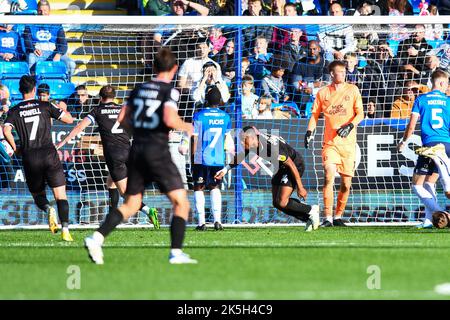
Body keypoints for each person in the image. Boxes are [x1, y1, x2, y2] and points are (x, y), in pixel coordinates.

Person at [83, 48, 197, 265]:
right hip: (158, 152)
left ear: (154, 67)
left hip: (137, 150)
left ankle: (96, 238)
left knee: (132, 203)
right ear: (174, 69)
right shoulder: (170, 91)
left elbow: (121, 117)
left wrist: (137, 131)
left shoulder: (138, 89)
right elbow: (170, 118)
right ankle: (176, 253)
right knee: (181, 202)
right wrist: (187, 126)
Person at [56, 84, 160, 228]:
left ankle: (149, 210)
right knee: (110, 182)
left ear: (100, 97)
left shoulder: (97, 110)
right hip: (129, 152)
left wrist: (63, 141)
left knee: (125, 194)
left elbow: (80, 127)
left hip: (114, 155)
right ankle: (112, 215)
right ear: (115, 97)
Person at [2, 75, 74, 240]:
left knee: (38, 195)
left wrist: (16, 148)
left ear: (20, 91)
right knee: (61, 195)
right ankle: (65, 231)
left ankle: (49, 209)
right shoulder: (45, 105)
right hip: (49, 154)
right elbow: (69, 120)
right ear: (34, 89)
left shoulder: (14, 110)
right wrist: (58, 108)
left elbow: (6, 131)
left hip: (30, 156)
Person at [214, 126, 320, 231]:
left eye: (243, 140)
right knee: (277, 203)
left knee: (283, 201)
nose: (241, 143)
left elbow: (291, 165)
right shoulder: (253, 144)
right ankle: (308, 218)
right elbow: (241, 156)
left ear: (252, 138)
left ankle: (312, 209)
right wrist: (225, 170)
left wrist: (300, 187)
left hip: (295, 165)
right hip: (280, 167)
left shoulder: (272, 148)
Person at [304, 60, 364, 227]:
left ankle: (338, 216)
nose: (343, 75)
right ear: (332, 74)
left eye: (344, 72)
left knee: (346, 184)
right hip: (330, 143)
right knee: (329, 175)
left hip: (348, 145)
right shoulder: (323, 93)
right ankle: (328, 218)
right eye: (340, 72)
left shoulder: (353, 90)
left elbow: (360, 114)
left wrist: (350, 125)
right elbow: (315, 115)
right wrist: (309, 131)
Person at [397, 70, 450, 229]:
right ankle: (428, 220)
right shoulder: (448, 101)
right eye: (447, 83)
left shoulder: (421, 99)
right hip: (447, 145)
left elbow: (412, 125)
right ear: (440, 83)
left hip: (430, 146)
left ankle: (441, 213)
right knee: (430, 182)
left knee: (417, 185)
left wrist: (404, 142)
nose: (447, 86)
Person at [190, 86, 232, 231]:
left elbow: (194, 139)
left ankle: (201, 222)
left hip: (201, 157)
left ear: (206, 100)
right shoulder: (226, 117)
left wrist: (192, 158)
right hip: (218, 158)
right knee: (215, 187)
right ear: (220, 101)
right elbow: (227, 139)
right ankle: (217, 221)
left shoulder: (199, 116)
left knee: (199, 187)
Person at [23, 1, 76, 79]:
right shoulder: (30, 24)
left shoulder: (56, 25)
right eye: (40, 11)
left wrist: (59, 54)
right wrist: (33, 49)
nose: (42, 13)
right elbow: (27, 40)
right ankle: (33, 82)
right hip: (38, 54)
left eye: (45, 11)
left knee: (71, 64)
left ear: (49, 11)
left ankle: (66, 81)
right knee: (31, 57)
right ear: (37, 11)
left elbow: (63, 44)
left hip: (54, 53)